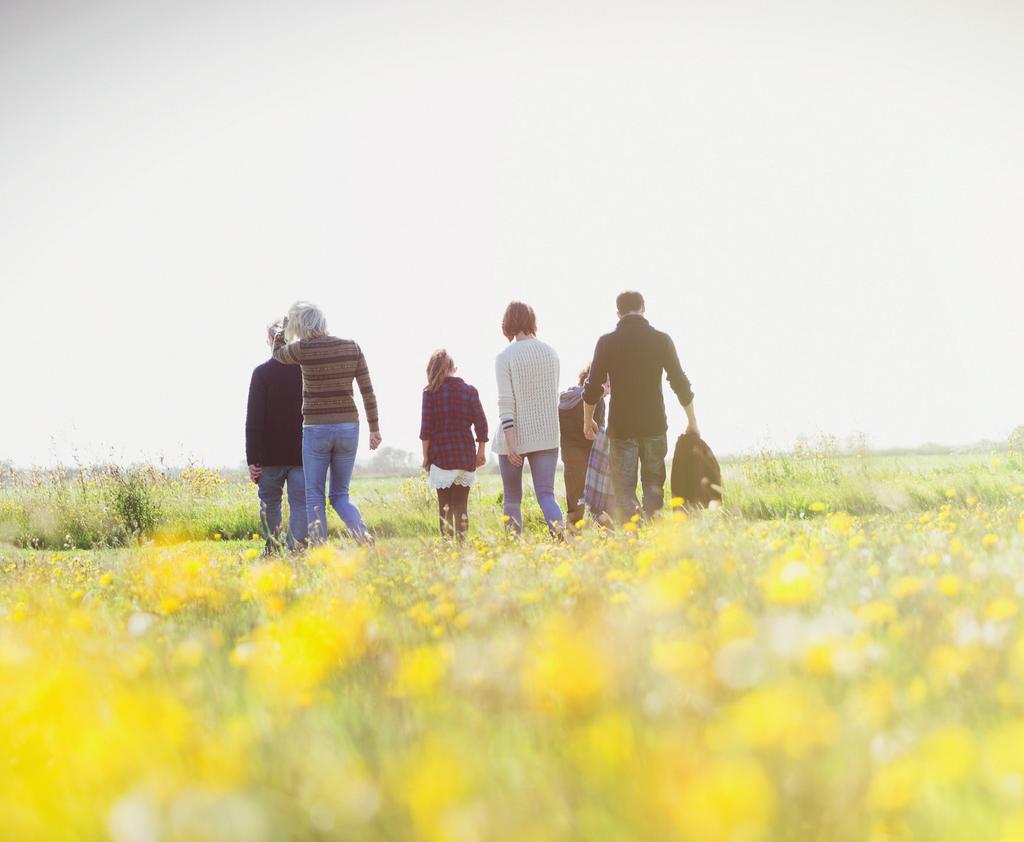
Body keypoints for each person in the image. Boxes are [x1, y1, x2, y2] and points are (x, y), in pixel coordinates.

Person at [583, 290, 698, 523]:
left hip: (622, 427)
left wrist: (588, 420)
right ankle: (653, 531)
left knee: (624, 488)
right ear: (643, 307)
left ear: (618, 313)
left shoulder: (607, 342)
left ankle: (633, 533)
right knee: (653, 484)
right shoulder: (661, 340)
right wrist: (692, 421)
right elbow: (679, 382)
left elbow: (592, 386)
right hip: (654, 424)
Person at [272, 301, 381, 544]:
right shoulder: (351, 347)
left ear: (300, 325)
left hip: (316, 430)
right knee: (341, 494)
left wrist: (282, 328)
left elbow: (278, 354)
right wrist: (374, 428)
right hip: (348, 428)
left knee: (315, 496)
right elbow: (367, 392)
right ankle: (362, 535)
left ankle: (320, 550)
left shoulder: (302, 348)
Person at [493, 301, 564, 536]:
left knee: (512, 497)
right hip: (547, 435)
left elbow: (506, 401)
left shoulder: (505, 356)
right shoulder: (551, 353)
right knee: (546, 494)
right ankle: (561, 537)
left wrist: (512, 444)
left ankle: (513, 548)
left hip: (515, 436)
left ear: (508, 323)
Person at [245, 320, 308, 553]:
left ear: (270, 341)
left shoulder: (261, 373)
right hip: (301, 453)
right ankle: (297, 549)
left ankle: (274, 548)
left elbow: (253, 420)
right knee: (300, 504)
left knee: (270, 504)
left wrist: (252, 459)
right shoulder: (304, 371)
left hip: (269, 457)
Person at [419, 350, 489, 540]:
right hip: (465, 455)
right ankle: (462, 546)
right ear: (452, 368)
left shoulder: (430, 393)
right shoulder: (469, 390)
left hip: (441, 456)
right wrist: (481, 452)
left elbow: (426, 429)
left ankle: (447, 546)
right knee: (461, 505)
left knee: (445, 506)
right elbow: (481, 424)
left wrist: (425, 457)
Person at [558, 366, 607, 528]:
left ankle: (573, 532)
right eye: (608, 385)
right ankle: (603, 530)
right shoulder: (596, 401)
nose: (609, 391)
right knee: (598, 497)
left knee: (574, 498)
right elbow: (599, 432)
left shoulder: (566, 398)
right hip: (590, 457)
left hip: (569, 455)